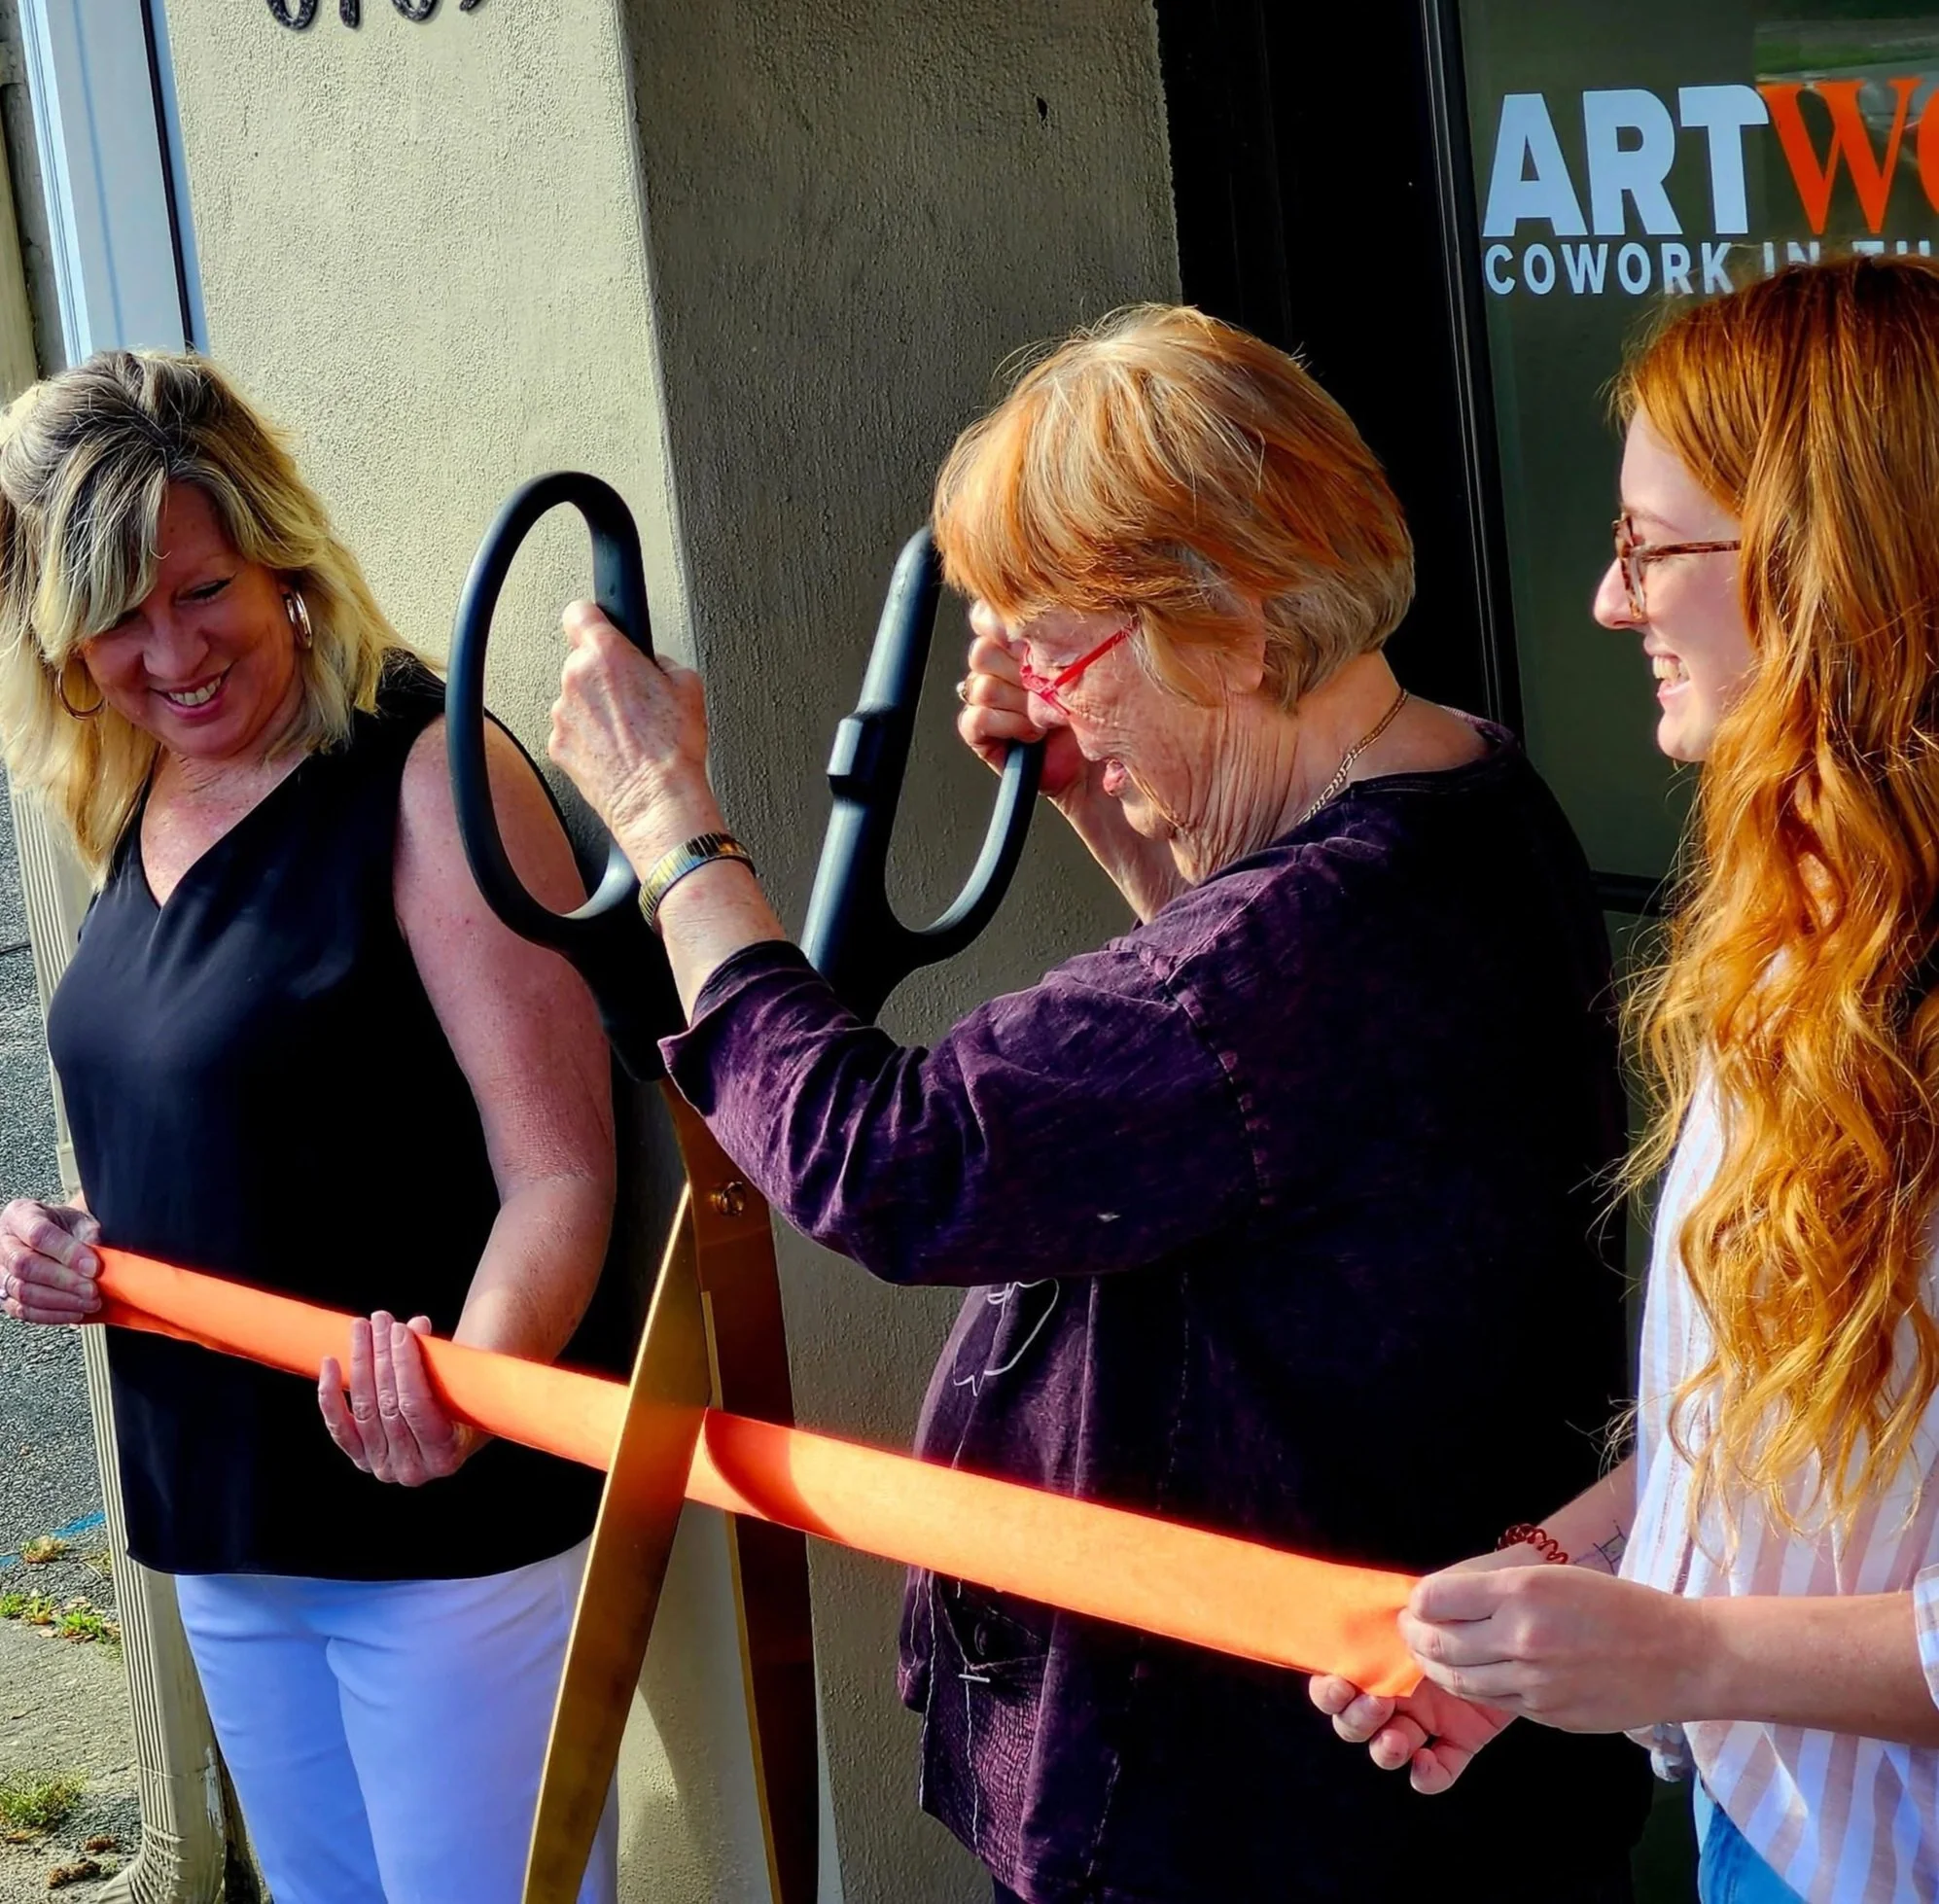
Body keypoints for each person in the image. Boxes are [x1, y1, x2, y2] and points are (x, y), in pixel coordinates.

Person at [548, 304, 1651, 1900]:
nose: (1042, 700)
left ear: (1239, 625)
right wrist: (1111, 808)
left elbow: (894, 1160)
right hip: (1361, 1787)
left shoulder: (1301, 946)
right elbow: (1241, 1088)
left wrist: (670, 830)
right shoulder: (1465, 787)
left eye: (1063, 653)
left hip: (1260, 1810)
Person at [1316, 254, 1939, 1903]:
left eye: (1645, 551)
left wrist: (1671, 1649)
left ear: (1819, 566)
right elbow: (1786, 1440)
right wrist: (1550, 1590)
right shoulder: (1803, 944)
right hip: (1772, 1829)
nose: (1608, 603)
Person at [0, 351, 619, 1904]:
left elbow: (558, 1168)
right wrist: (81, 1243)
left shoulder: (426, 773)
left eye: (200, 591)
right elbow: (201, 1108)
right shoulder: (136, 793)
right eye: (119, 622)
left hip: (441, 1533)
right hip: (222, 1516)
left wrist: (471, 1389)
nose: (171, 653)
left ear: (281, 554)